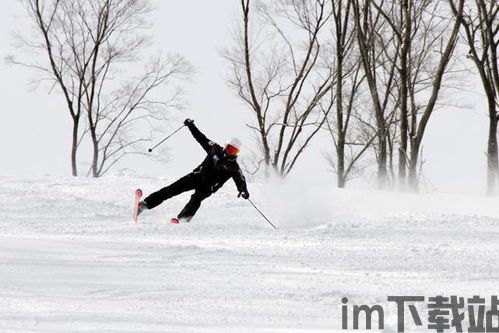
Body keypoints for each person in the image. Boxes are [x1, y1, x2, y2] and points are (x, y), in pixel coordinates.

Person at [138, 119, 250, 223]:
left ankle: (182, 220)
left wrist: (243, 189)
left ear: (236, 153)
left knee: (195, 200)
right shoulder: (215, 149)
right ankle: (145, 204)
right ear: (225, 146)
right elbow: (201, 138)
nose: (229, 152)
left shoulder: (234, 167)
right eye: (229, 148)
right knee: (172, 189)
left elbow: (240, 178)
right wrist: (191, 125)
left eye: (233, 151)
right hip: (196, 176)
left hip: (208, 187)